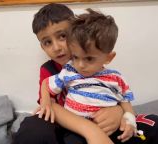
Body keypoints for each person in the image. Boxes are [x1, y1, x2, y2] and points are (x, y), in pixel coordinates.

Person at [13, 3, 158, 144]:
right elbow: (48, 104)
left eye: (62, 36)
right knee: (33, 128)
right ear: (42, 47)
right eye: (47, 42)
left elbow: (120, 95)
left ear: (76, 33)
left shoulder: (99, 63)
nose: (56, 47)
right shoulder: (49, 70)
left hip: (105, 122)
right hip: (69, 127)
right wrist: (90, 130)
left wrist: (120, 113)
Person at [40, 8, 140, 143]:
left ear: (108, 58)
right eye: (75, 57)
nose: (80, 65)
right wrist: (45, 102)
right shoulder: (69, 71)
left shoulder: (116, 78)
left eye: (89, 59)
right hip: (74, 130)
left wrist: (128, 118)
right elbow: (46, 84)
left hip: (108, 127)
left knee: (157, 127)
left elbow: (125, 100)